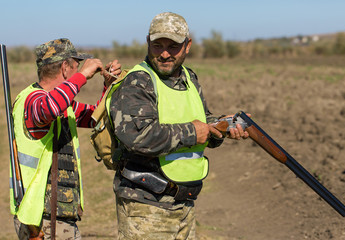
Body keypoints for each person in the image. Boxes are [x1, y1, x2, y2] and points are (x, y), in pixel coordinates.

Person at [107, 12, 249, 239]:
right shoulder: (138, 81)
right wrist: (193, 132)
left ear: (187, 45)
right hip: (146, 208)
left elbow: (202, 121)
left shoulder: (189, 79)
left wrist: (222, 126)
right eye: (157, 45)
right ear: (147, 42)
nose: (164, 54)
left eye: (173, 46)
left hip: (184, 203)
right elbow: (137, 136)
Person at [11, 38, 121, 239]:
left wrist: (107, 86)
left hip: (57, 213)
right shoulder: (32, 100)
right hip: (41, 218)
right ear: (65, 67)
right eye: (76, 65)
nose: (79, 68)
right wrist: (82, 76)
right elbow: (48, 109)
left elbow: (94, 118)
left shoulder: (63, 104)